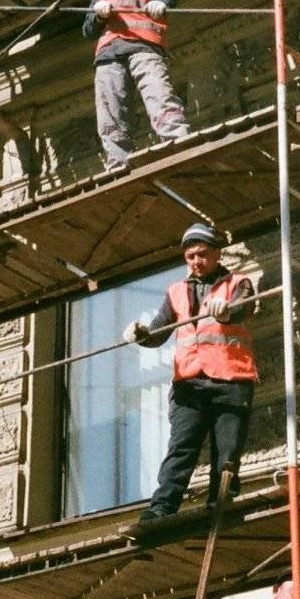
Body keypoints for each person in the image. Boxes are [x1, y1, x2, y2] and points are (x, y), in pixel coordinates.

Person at [123, 222, 257, 521]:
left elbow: (244, 307)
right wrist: (142, 334)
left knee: (227, 453)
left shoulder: (238, 283)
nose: (196, 261)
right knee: (181, 448)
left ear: (217, 253)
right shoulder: (176, 292)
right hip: (190, 382)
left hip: (231, 380)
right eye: (190, 256)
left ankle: (221, 503)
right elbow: (160, 331)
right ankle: (162, 507)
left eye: (203, 254)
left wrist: (227, 309)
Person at [82, 0, 190, 168]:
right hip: (109, 52)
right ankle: (118, 162)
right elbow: (88, 30)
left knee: (158, 94)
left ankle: (178, 141)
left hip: (143, 44)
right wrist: (98, 16)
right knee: (111, 111)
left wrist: (163, 3)